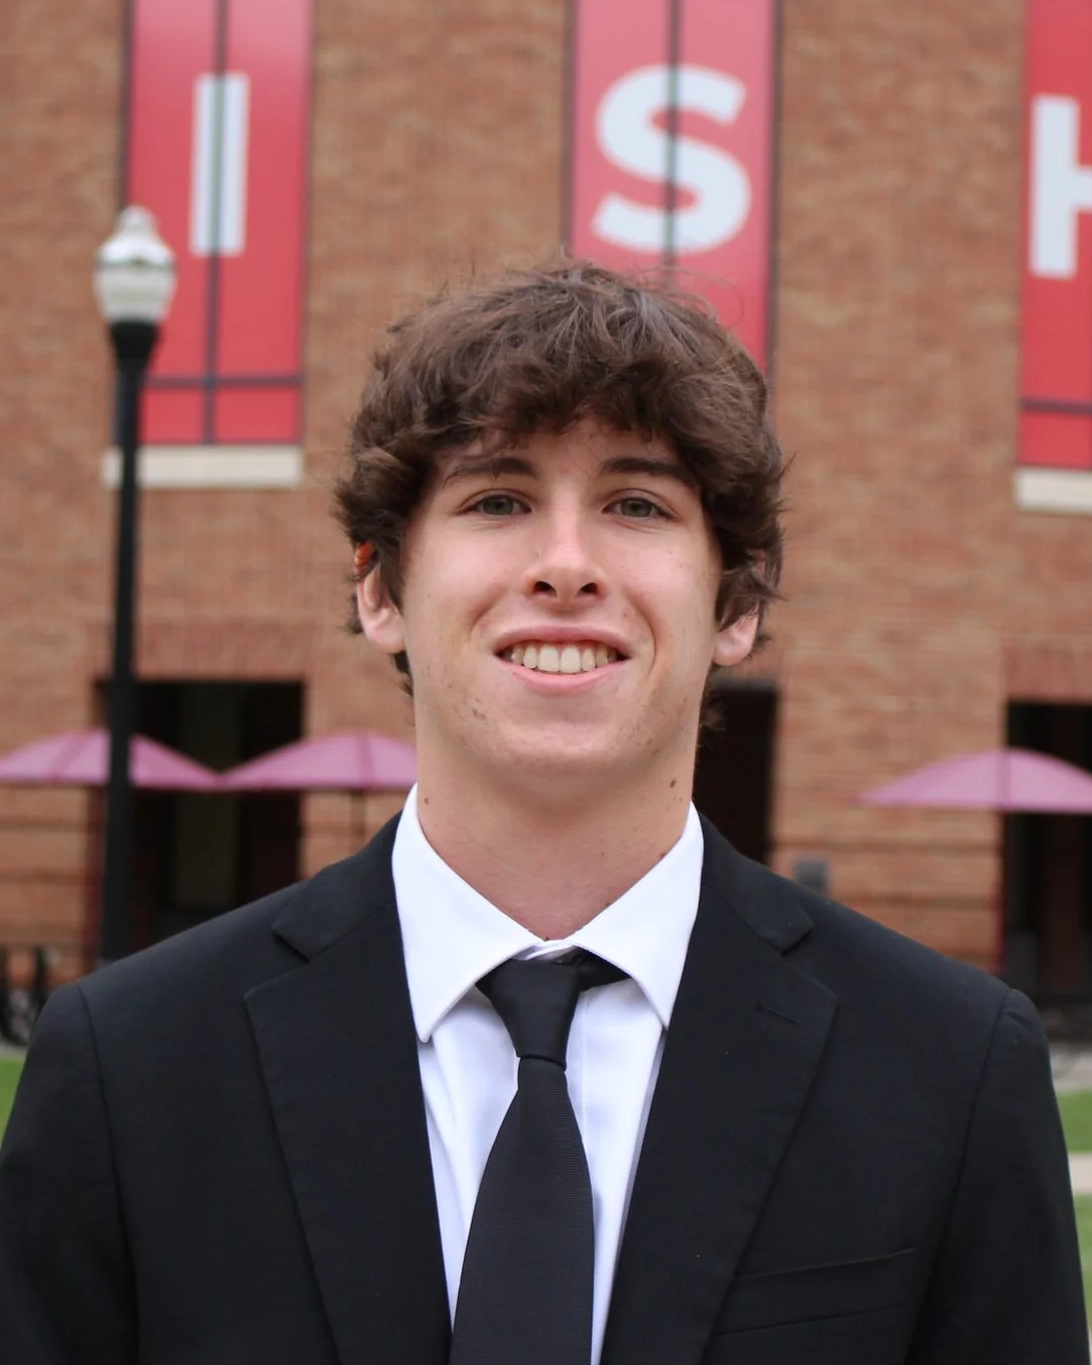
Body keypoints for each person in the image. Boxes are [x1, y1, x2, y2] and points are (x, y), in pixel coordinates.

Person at [0, 260, 1086, 1365]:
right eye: (498, 501)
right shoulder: (128, 1070)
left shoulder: (949, 1071)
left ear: (737, 602)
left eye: (636, 505)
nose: (566, 566)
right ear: (380, 588)